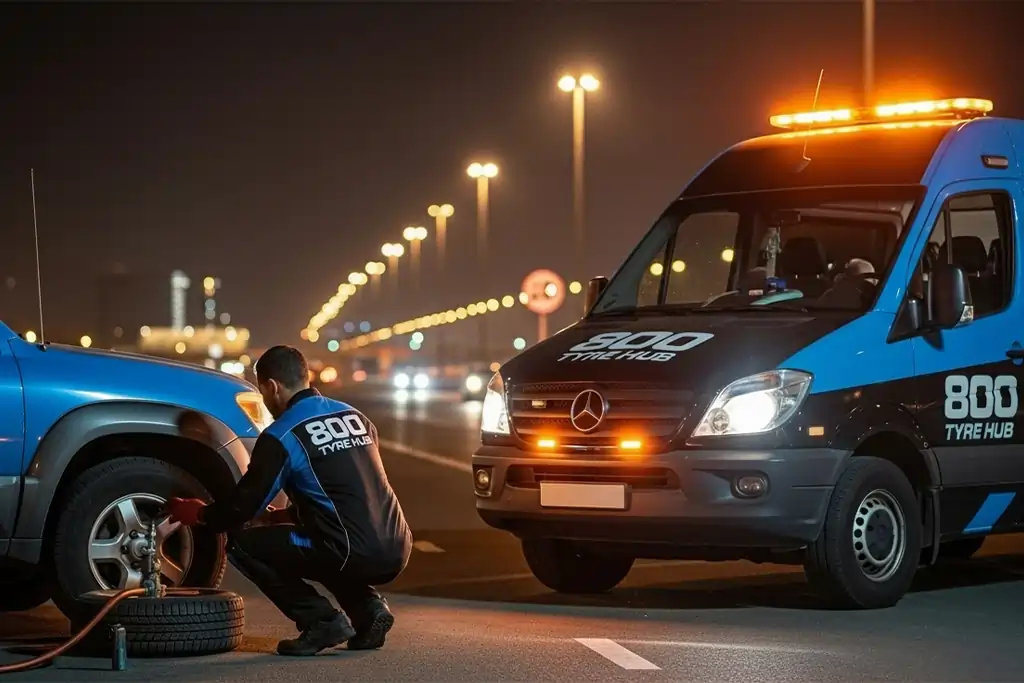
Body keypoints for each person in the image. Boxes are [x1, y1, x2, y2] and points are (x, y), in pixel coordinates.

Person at [165, 345, 413, 656]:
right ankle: (369, 611)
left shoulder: (282, 434)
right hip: (396, 546)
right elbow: (346, 494)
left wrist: (201, 514)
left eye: (264, 393)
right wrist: (279, 518)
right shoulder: (355, 416)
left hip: (350, 549)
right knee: (319, 542)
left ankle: (321, 621)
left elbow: (242, 508)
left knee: (243, 542)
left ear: (271, 387)